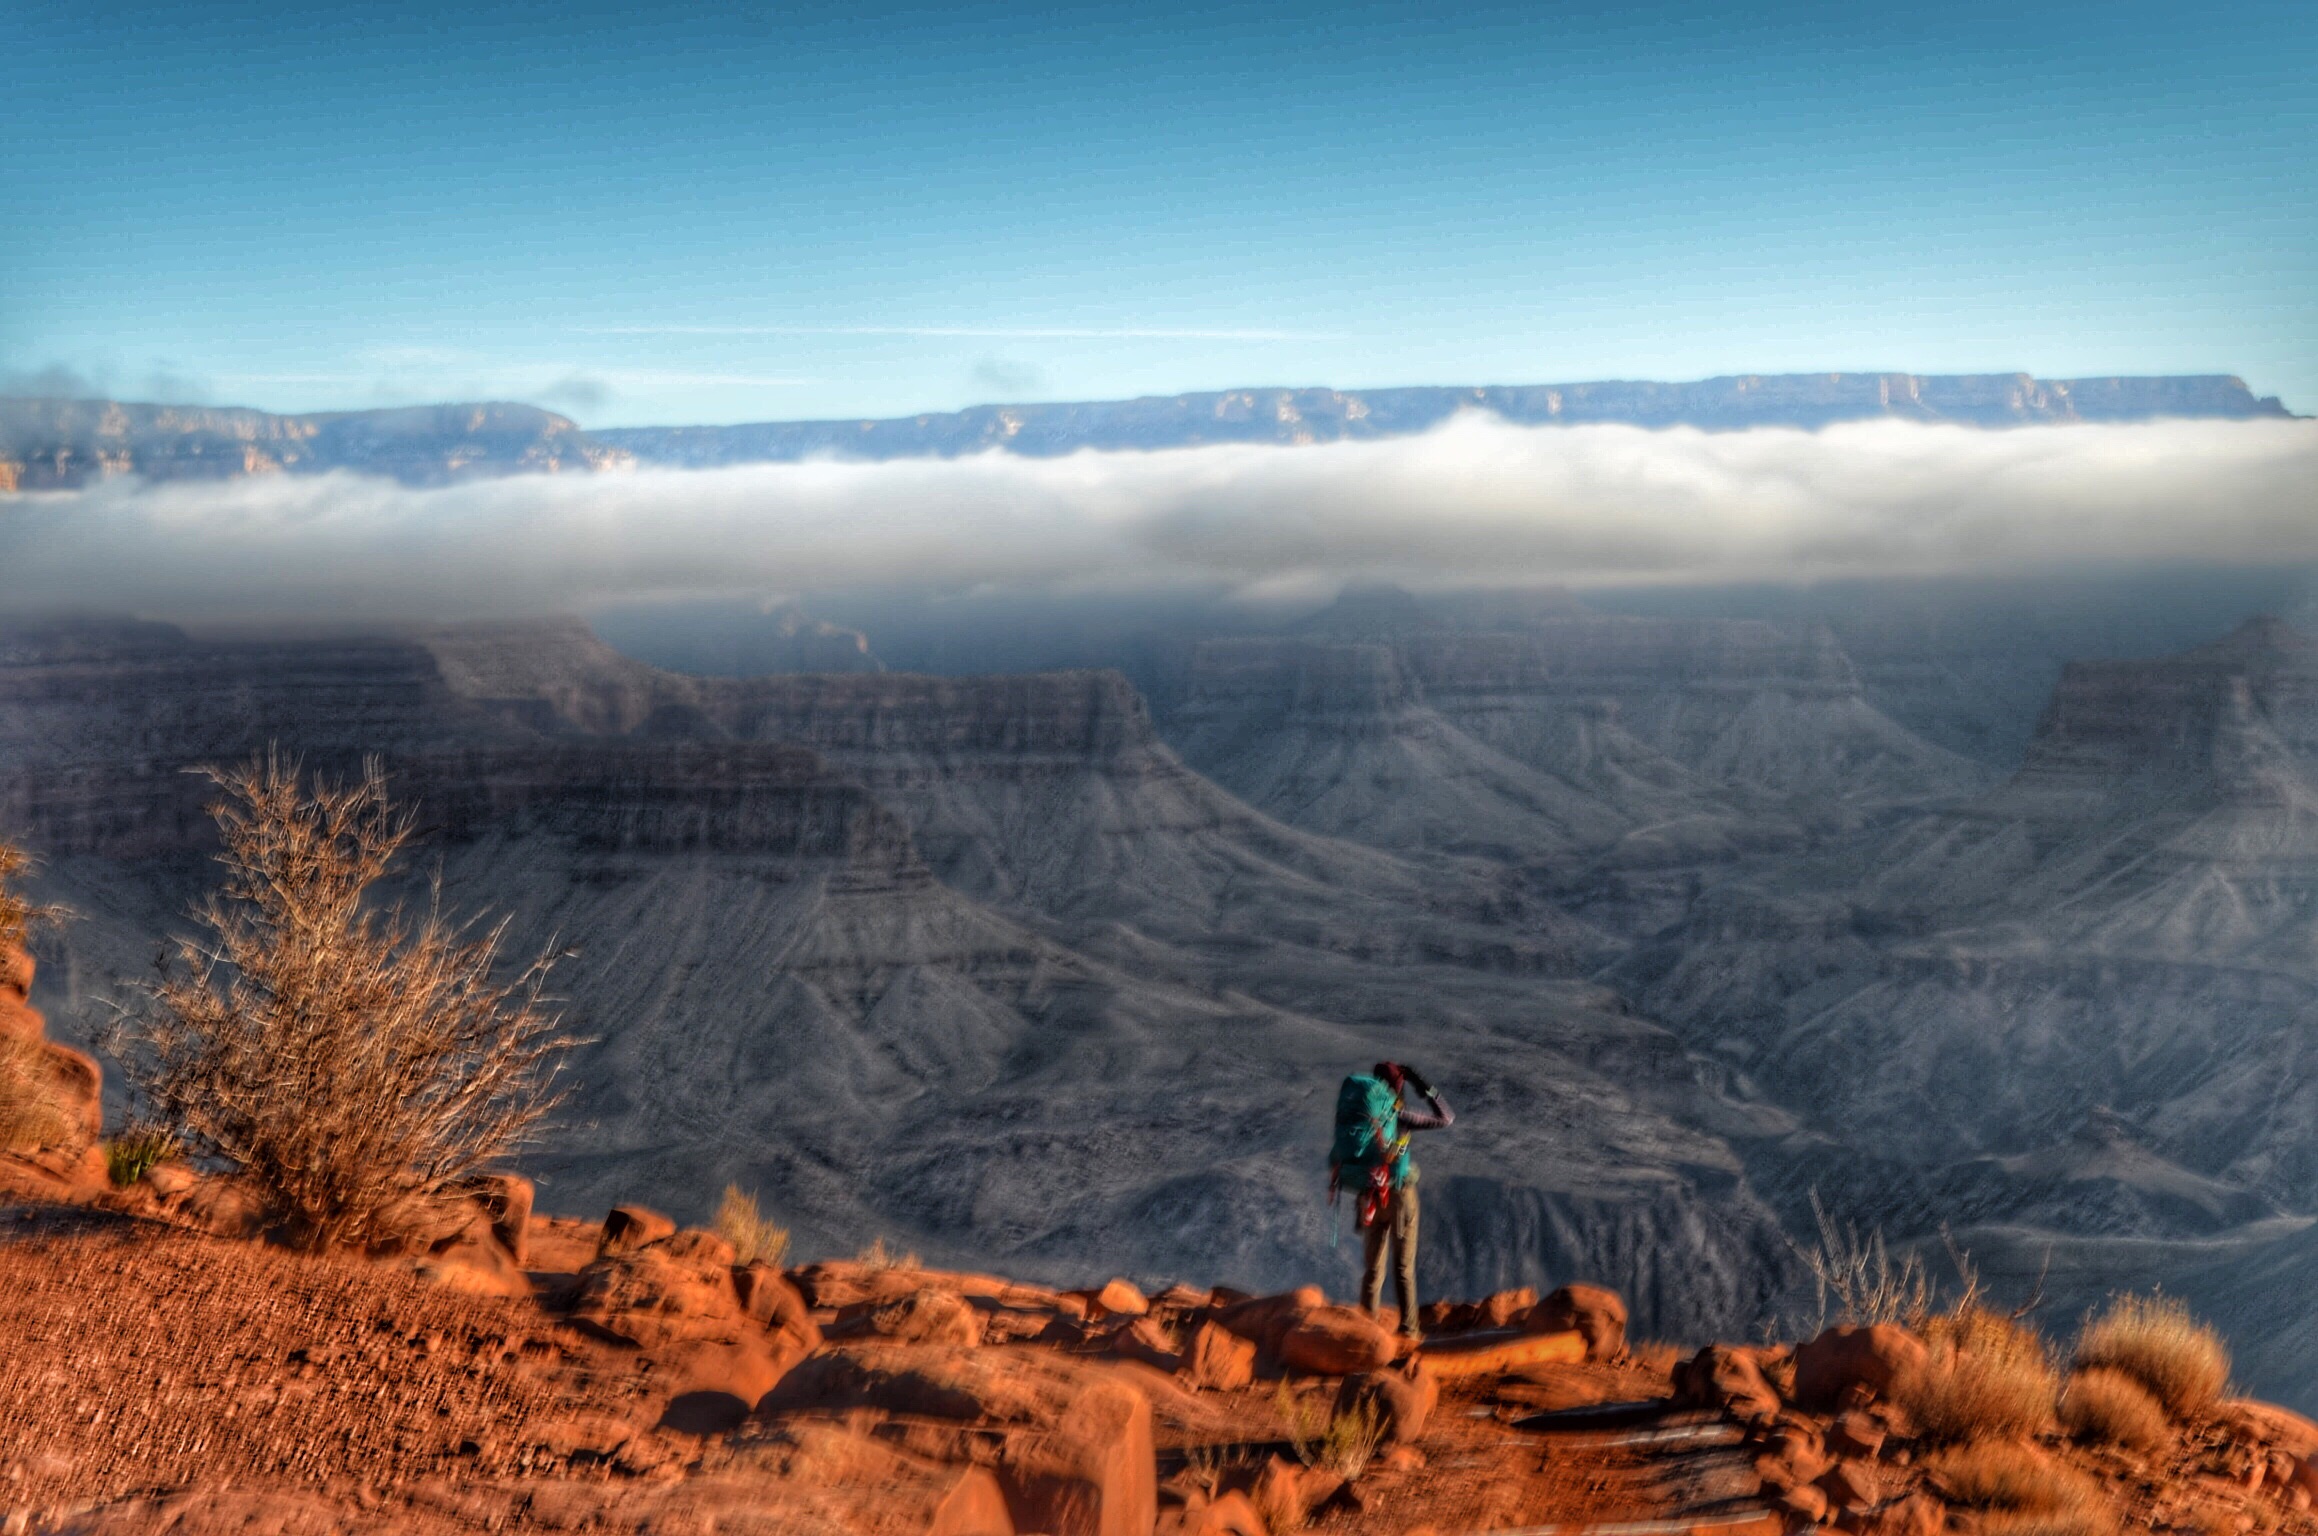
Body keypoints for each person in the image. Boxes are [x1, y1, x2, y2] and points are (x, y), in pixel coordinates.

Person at [1329, 1059, 1453, 1340]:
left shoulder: (1363, 1114)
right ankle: (1409, 1331)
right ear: (1399, 1086)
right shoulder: (1400, 1116)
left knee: (1373, 1270)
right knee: (1403, 1268)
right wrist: (1425, 1086)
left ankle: (1365, 1330)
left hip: (1369, 1196)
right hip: (1399, 1196)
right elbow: (1446, 1118)